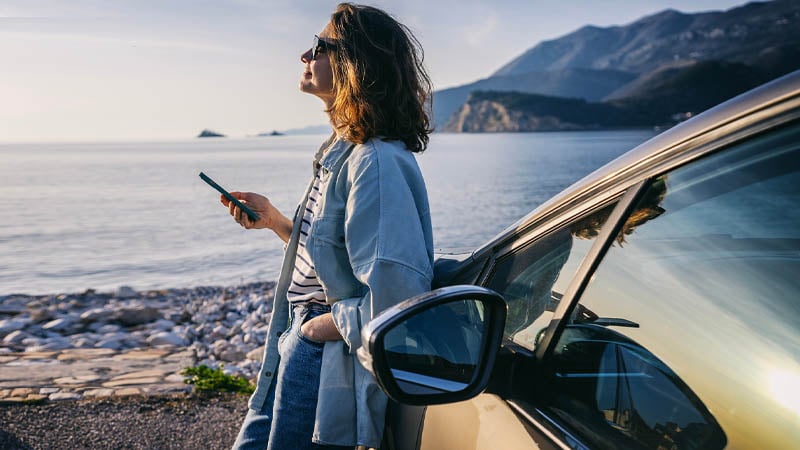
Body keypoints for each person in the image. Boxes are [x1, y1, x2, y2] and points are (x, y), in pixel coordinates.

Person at [223, 4, 434, 450]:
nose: (305, 55)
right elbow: (334, 260)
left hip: (322, 349)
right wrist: (277, 223)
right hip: (298, 336)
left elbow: (398, 299)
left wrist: (312, 332)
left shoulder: (375, 163)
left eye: (319, 46)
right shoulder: (342, 150)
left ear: (355, 63)